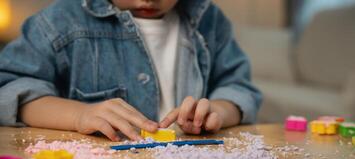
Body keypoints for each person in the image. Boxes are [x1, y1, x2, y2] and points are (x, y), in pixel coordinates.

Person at [0, 0, 262, 141]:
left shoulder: (209, 19)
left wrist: (218, 111)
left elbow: (238, 88)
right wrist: (80, 115)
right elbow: (9, 88)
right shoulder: (58, 21)